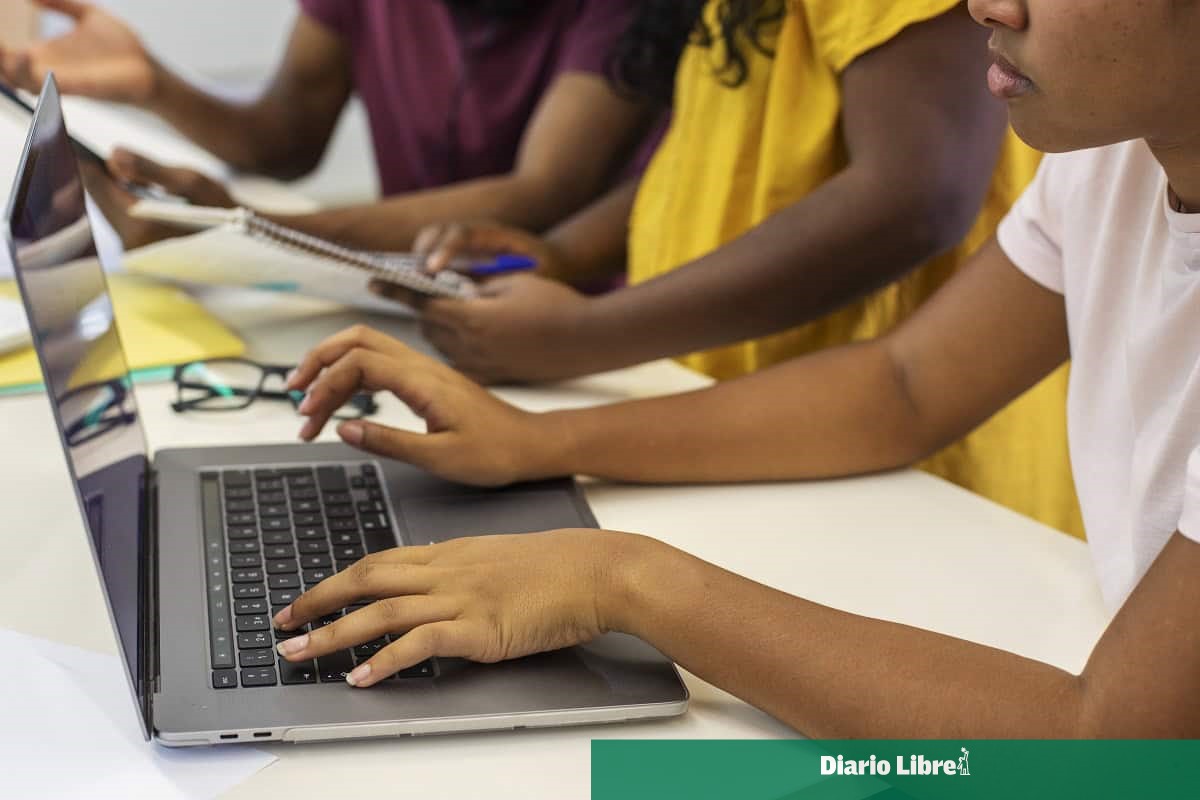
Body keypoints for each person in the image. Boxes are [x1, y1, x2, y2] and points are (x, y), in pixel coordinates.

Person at [270, 0, 1200, 737]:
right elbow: (905, 386)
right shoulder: (1108, 165)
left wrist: (621, 581)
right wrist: (535, 439)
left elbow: (1110, 752)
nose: (985, 5)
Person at [379, 0, 1082, 538]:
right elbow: (713, 158)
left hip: (895, 475)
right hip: (747, 434)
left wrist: (583, 335)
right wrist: (564, 255)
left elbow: (915, 198)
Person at [0, 0, 656, 249]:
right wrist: (154, 84)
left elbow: (544, 192)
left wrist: (248, 229)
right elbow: (285, 142)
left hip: (578, 323)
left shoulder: (625, 12)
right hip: (416, 303)